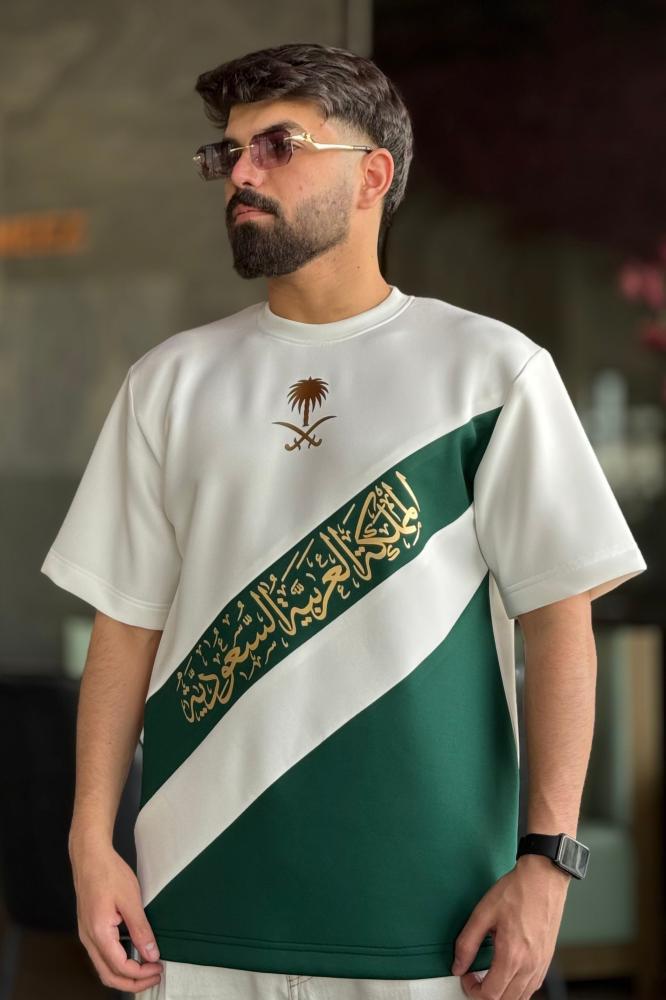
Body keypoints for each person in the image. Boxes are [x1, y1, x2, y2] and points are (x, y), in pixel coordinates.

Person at [41, 41, 647, 1000]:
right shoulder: (168, 383)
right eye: (228, 152)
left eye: (278, 145)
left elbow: (559, 621)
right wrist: (90, 844)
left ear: (373, 175)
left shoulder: (491, 372)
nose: (240, 173)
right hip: (193, 914)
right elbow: (125, 626)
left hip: (432, 926)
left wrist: (548, 861)